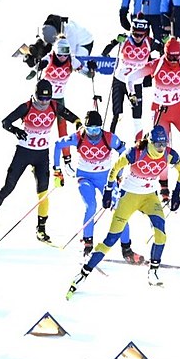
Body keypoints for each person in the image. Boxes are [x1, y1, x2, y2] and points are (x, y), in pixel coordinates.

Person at [67, 125, 180, 295]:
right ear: (150, 142)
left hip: (149, 197)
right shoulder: (136, 152)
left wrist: (176, 193)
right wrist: (108, 190)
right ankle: (84, 273)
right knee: (111, 239)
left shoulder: (170, 154)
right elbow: (115, 167)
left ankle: (152, 271)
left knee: (161, 233)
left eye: (164, 144)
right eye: (158, 145)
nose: (161, 148)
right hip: (128, 196)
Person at [0, 80, 82, 242]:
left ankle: (41, 229)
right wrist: (16, 130)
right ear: (35, 96)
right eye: (41, 99)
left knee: (43, 194)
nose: (44, 103)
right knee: (8, 187)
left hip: (42, 156)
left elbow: (72, 117)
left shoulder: (54, 106)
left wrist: (79, 124)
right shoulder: (26, 106)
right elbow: (5, 122)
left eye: (47, 99)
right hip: (23, 153)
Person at [53, 110, 130, 257]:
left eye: (96, 129)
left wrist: (120, 173)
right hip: (85, 178)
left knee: (119, 209)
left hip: (106, 179)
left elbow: (124, 152)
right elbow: (58, 144)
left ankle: (126, 248)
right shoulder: (78, 137)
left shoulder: (109, 138)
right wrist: (57, 170)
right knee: (91, 205)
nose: (93, 133)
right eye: (90, 129)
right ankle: (88, 244)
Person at [35, 36, 90, 167]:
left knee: (62, 128)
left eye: (65, 55)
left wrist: (91, 70)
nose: (62, 58)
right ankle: (36, 155)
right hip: (44, 100)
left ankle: (67, 159)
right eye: (60, 55)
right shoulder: (50, 58)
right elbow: (34, 70)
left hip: (59, 99)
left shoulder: (71, 60)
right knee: (40, 127)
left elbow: (87, 73)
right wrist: (38, 65)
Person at [101, 17, 161, 135]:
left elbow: (165, 51)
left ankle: (138, 144)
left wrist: (168, 41)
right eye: (135, 34)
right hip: (119, 81)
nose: (138, 38)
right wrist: (114, 41)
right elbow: (104, 52)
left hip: (136, 84)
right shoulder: (125, 40)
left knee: (137, 117)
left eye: (140, 35)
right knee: (117, 115)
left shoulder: (149, 42)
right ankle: (110, 141)